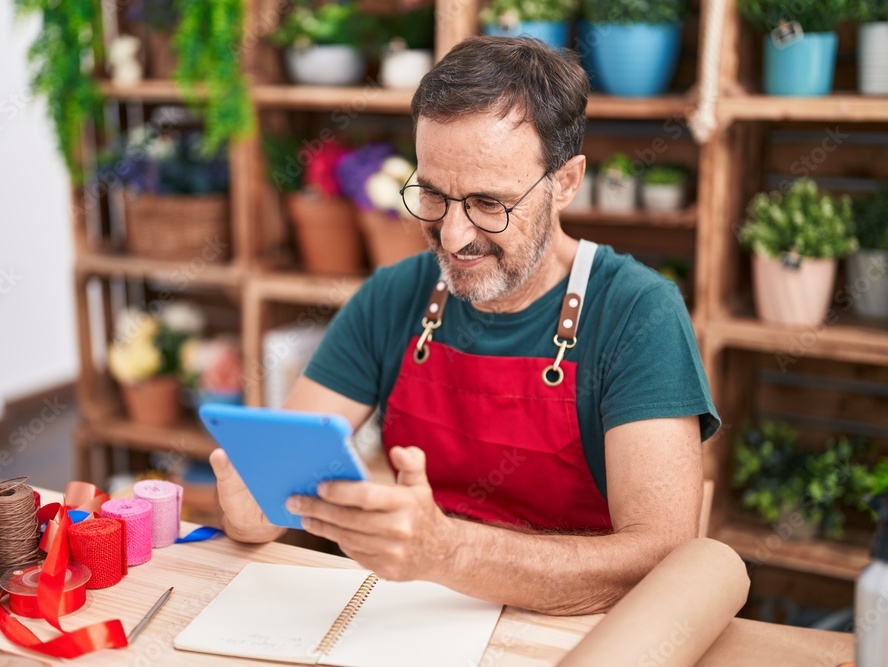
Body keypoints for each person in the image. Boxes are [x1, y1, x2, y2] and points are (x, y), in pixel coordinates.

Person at [210, 36, 720, 615]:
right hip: (410, 621)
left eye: (488, 203)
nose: (453, 238)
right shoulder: (394, 296)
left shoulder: (638, 314)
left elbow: (663, 562)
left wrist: (449, 553)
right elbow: (282, 476)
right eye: (432, 194)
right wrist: (254, 505)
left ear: (567, 183)